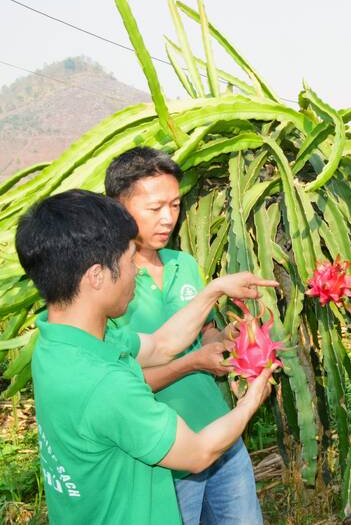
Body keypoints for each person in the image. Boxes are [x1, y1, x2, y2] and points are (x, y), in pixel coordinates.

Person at [16, 189, 276, 524]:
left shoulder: (60, 341)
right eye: (127, 262)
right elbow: (198, 453)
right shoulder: (106, 386)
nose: (136, 273)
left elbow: (161, 345)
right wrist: (252, 400)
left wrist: (215, 290)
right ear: (96, 276)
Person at [104, 147, 262, 524]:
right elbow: (119, 383)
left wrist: (225, 342)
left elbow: (204, 332)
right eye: (155, 207)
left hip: (221, 433)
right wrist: (192, 364)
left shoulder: (184, 263)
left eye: (175, 205)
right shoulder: (107, 286)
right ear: (117, 208)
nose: (168, 218)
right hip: (163, 453)